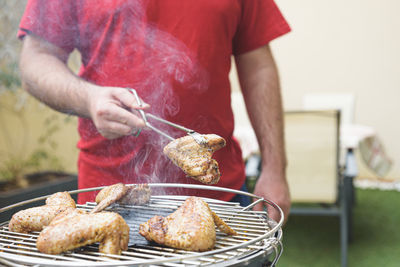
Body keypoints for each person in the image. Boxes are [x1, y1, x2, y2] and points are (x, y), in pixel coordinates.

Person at [18, 0, 291, 223]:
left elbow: (258, 66)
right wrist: (89, 98)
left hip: (220, 194)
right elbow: (36, 59)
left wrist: (275, 169)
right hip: (109, 199)